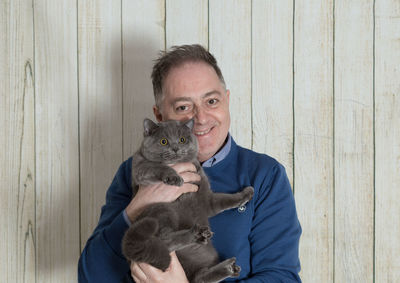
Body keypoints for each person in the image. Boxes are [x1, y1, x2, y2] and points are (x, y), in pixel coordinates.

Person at [78, 44, 302, 282]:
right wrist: (136, 207)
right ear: (160, 116)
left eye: (212, 101)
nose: (201, 119)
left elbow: (281, 278)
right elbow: (91, 276)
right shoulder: (132, 173)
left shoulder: (264, 175)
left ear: (227, 100)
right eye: (183, 107)